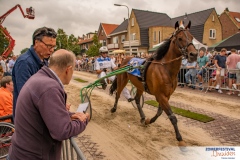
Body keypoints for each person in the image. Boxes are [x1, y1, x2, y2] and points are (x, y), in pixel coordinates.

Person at [8, 49, 89, 160]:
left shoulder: (40, 78)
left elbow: (43, 112)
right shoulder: (50, 88)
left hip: (22, 152)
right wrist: (82, 120)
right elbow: (62, 131)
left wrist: (68, 115)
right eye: (73, 70)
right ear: (68, 69)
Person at [12, 27, 57, 119]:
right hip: (27, 118)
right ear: (36, 42)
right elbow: (26, 95)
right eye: (49, 46)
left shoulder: (43, 61)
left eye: (53, 47)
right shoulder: (24, 62)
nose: (52, 50)